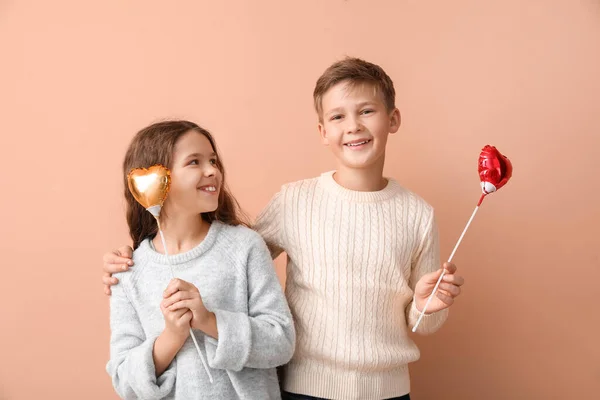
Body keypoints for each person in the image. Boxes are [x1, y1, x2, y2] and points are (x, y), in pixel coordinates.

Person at [103, 58, 464, 400]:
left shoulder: (418, 214)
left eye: (366, 111)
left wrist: (425, 306)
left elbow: (421, 323)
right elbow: (222, 246)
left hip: (388, 389)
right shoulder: (295, 202)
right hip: (305, 386)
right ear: (323, 131)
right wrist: (131, 260)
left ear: (393, 118)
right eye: (338, 116)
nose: (353, 125)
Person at [106, 120, 295, 399]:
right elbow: (125, 381)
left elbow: (281, 342)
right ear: (156, 181)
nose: (212, 171)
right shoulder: (128, 272)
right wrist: (171, 336)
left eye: (213, 161)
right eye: (194, 162)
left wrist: (209, 321)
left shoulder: (244, 247)